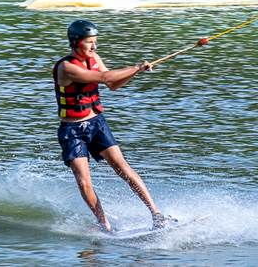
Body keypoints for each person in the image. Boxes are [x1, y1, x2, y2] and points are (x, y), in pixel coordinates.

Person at [52, 19, 175, 233]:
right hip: (72, 131)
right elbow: (104, 77)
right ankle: (104, 225)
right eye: (89, 42)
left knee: (123, 168)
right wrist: (136, 66)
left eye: (95, 42)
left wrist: (136, 72)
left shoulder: (94, 58)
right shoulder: (67, 67)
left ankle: (157, 215)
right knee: (84, 182)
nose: (94, 46)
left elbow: (113, 84)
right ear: (75, 43)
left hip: (96, 124)